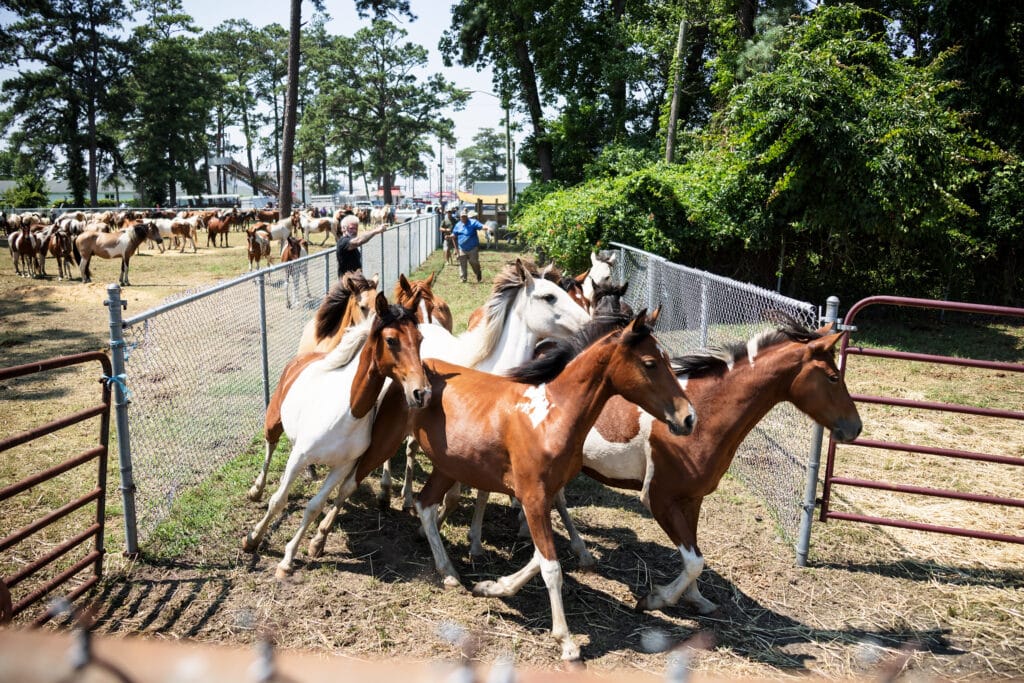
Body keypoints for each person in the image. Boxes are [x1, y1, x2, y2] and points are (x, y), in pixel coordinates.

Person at [451, 209, 484, 283]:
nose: (463, 218)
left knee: (474, 262)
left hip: (473, 248)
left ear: (467, 217)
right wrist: (451, 236)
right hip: (462, 248)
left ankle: (478, 273)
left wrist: (486, 228)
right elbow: (454, 233)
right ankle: (463, 278)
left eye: (465, 217)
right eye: (462, 217)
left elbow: (481, 226)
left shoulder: (473, 222)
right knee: (462, 263)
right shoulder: (458, 225)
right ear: (460, 218)